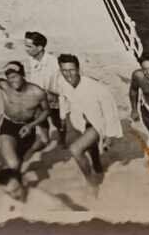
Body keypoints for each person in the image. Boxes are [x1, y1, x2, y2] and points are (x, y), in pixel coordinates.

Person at [52, 54, 124, 196]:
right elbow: (62, 97)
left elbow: (110, 111)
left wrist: (109, 135)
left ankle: (92, 183)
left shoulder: (97, 88)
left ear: (78, 69)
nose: (68, 74)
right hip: (79, 122)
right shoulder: (61, 82)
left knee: (75, 150)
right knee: (91, 148)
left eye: (71, 70)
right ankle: (97, 166)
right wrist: (62, 116)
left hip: (97, 124)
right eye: (64, 70)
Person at [0, 61, 50, 196]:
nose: (12, 81)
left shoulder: (37, 92)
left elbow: (46, 111)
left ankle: (18, 184)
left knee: (20, 159)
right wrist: (1, 69)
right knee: (13, 163)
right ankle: (13, 191)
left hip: (28, 125)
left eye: (15, 76)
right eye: (9, 77)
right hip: (8, 125)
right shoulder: (4, 85)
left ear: (23, 75)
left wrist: (31, 125)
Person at [24, 31, 66, 146]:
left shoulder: (54, 63)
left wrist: (53, 94)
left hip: (54, 99)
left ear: (39, 48)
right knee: (40, 118)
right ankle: (45, 139)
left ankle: (62, 138)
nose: (26, 49)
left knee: (57, 121)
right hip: (38, 98)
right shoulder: (31, 59)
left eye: (29, 46)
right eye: (25, 45)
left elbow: (63, 85)